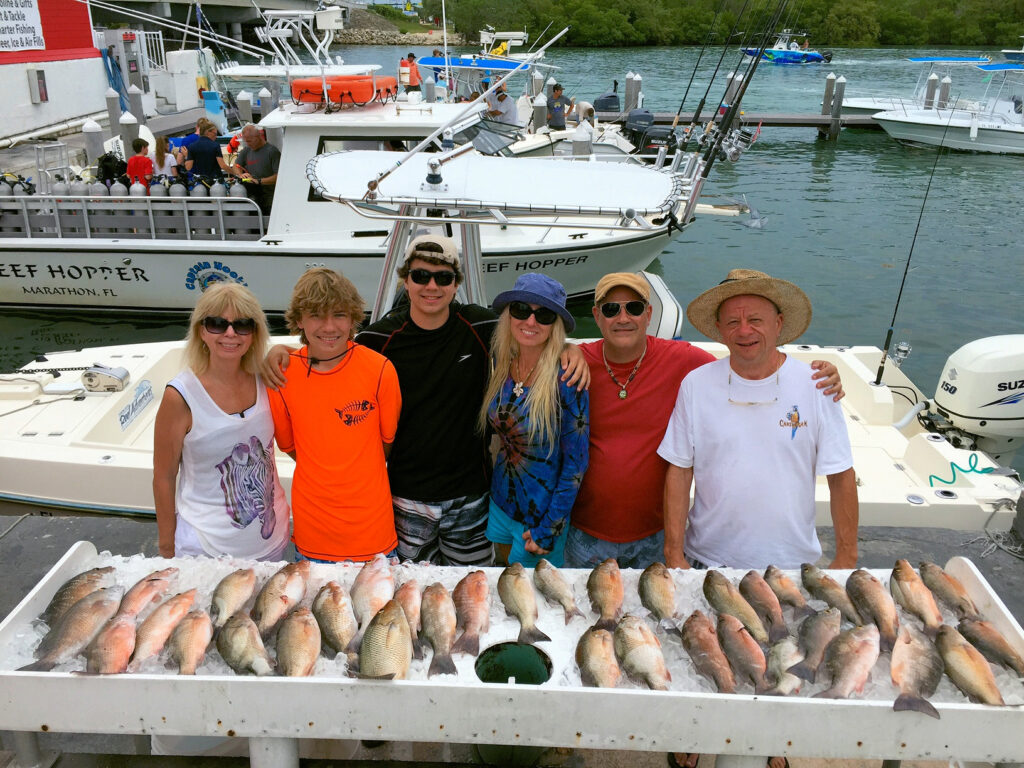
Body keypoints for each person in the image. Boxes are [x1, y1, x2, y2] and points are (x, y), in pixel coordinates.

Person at [262, 236, 589, 567]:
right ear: (406, 281)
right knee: (414, 597)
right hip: (406, 498)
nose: (431, 285)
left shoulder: (480, 325)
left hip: (470, 496)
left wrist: (569, 349)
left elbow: (527, 333)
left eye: (443, 277)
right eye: (421, 276)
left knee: (470, 586)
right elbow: (333, 351)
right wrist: (285, 353)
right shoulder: (379, 338)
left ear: (455, 284)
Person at [565, 272, 844, 570]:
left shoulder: (683, 360)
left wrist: (817, 375)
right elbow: (531, 352)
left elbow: (748, 362)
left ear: (648, 314)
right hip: (584, 533)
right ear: (596, 316)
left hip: (655, 535)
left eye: (633, 308)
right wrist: (563, 347)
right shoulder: (573, 362)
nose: (623, 317)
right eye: (611, 309)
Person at [658, 268, 859, 571]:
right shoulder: (694, 385)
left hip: (792, 565)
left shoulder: (817, 384)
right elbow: (679, 470)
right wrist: (674, 554)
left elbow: (841, 474)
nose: (744, 331)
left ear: (778, 324)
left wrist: (847, 555)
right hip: (706, 561)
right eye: (733, 322)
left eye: (755, 320)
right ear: (719, 328)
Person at [267, 268, 401, 563]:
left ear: (353, 318)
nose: (329, 326)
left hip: (373, 532)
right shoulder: (281, 374)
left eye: (339, 315)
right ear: (299, 319)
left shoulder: (380, 370)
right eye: (316, 315)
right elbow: (290, 447)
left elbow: (385, 444)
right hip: (313, 532)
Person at [153, 282, 289, 561]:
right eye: (217, 323)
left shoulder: (267, 379)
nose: (230, 333)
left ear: (254, 333)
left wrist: (283, 349)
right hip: (205, 551)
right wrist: (167, 547)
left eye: (242, 325)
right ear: (201, 331)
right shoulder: (180, 396)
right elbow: (164, 477)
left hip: (272, 543)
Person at [481, 273, 589, 567]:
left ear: (555, 325)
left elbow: (576, 465)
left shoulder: (567, 379)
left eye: (543, 315)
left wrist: (549, 530)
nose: (530, 322)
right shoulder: (501, 361)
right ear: (508, 315)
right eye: (520, 310)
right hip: (500, 505)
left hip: (539, 520)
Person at [230, 123, 280, 216]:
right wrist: (241, 175)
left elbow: (279, 177)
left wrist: (259, 181)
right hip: (253, 196)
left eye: (250, 141)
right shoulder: (247, 150)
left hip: (270, 197)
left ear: (259, 136)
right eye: (246, 141)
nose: (248, 144)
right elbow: (236, 166)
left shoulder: (272, 152)